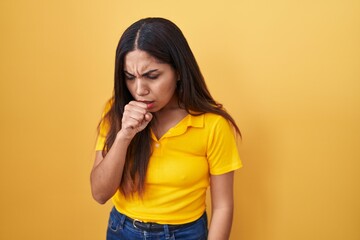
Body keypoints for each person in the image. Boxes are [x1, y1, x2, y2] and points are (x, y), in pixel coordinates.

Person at [90, 17, 242, 240]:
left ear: (178, 71)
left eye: (152, 76)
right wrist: (124, 136)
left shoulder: (212, 125)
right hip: (123, 231)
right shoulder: (117, 112)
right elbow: (100, 194)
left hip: (186, 234)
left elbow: (223, 207)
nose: (139, 89)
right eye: (130, 77)